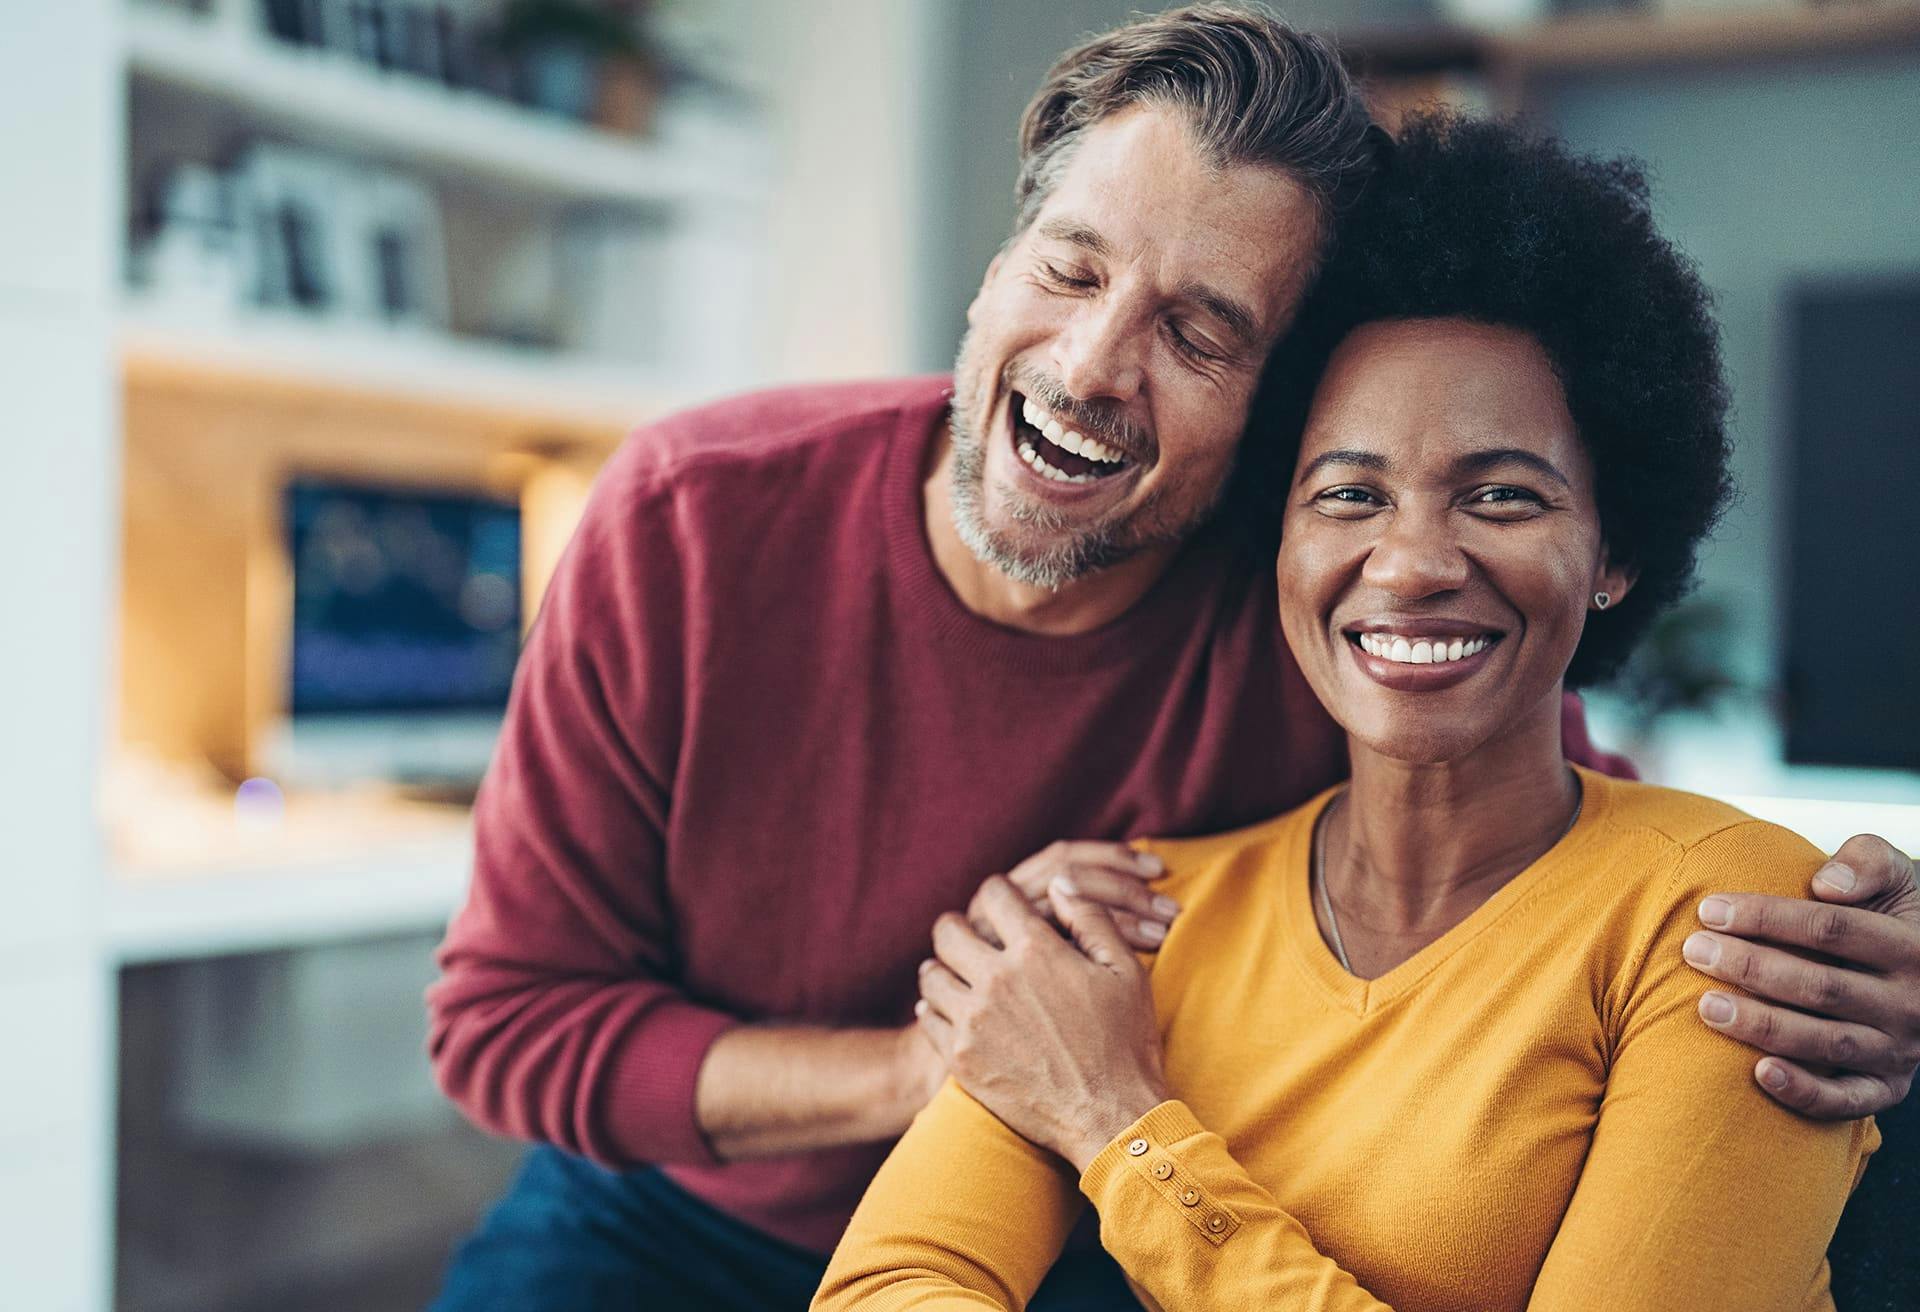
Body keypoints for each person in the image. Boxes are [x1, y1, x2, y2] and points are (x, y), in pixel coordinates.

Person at [428, 9, 1920, 1310]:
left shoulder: (1311, 591)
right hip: (670, 1210)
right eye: (1069, 271)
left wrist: (1863, 943)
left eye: (1200, 332)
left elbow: (1562, 840)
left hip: (1082, 1225)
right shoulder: (688, 519)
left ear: (1274, 421)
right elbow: (507, 1021)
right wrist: (952, 1065)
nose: (1091, 367)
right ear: (993, 272)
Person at [814, 113, 1890, 1312]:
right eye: (1349, 493)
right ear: (1279, 537)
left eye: (1500, 493)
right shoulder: (1141, 915)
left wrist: (1121, 1127)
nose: (1413, 561)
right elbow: (893, 1285)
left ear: (1615, 550)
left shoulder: (1728, 928)